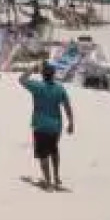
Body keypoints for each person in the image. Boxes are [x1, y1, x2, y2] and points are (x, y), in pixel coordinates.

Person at [19, 61, 74, 190]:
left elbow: (21, 79)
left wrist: (32, 68)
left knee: (43, 155)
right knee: (53, 150)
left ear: (43, 75)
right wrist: (71, 122)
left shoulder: (37, 86)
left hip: (41, 125)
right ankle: (56, 177)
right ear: (53, 75)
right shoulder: (60, 88)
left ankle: (48, 183)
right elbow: (67, 107)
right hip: (56, 126)